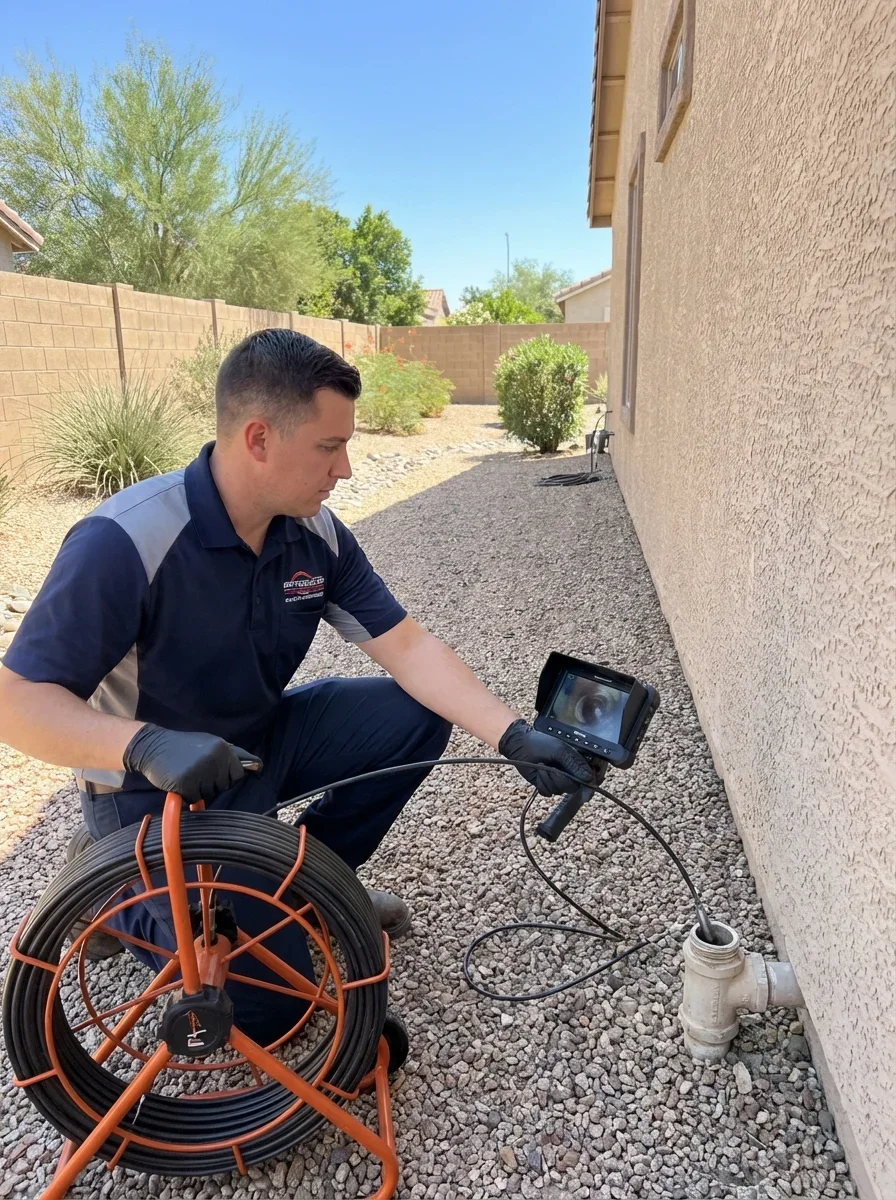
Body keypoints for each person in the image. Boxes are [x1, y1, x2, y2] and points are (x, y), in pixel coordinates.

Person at [0, 328, 593, 1041]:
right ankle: (112, 899)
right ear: (259, 438)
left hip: (256, 745)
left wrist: (512, 735)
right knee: (274, 1009)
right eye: (328, 447)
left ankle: (307, 885)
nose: (345, 468)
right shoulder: (124, 542)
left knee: (414, 715)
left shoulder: (315, 534)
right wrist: (144, 743)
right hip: (150, 792)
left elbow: (408, 648)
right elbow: (16, 702)